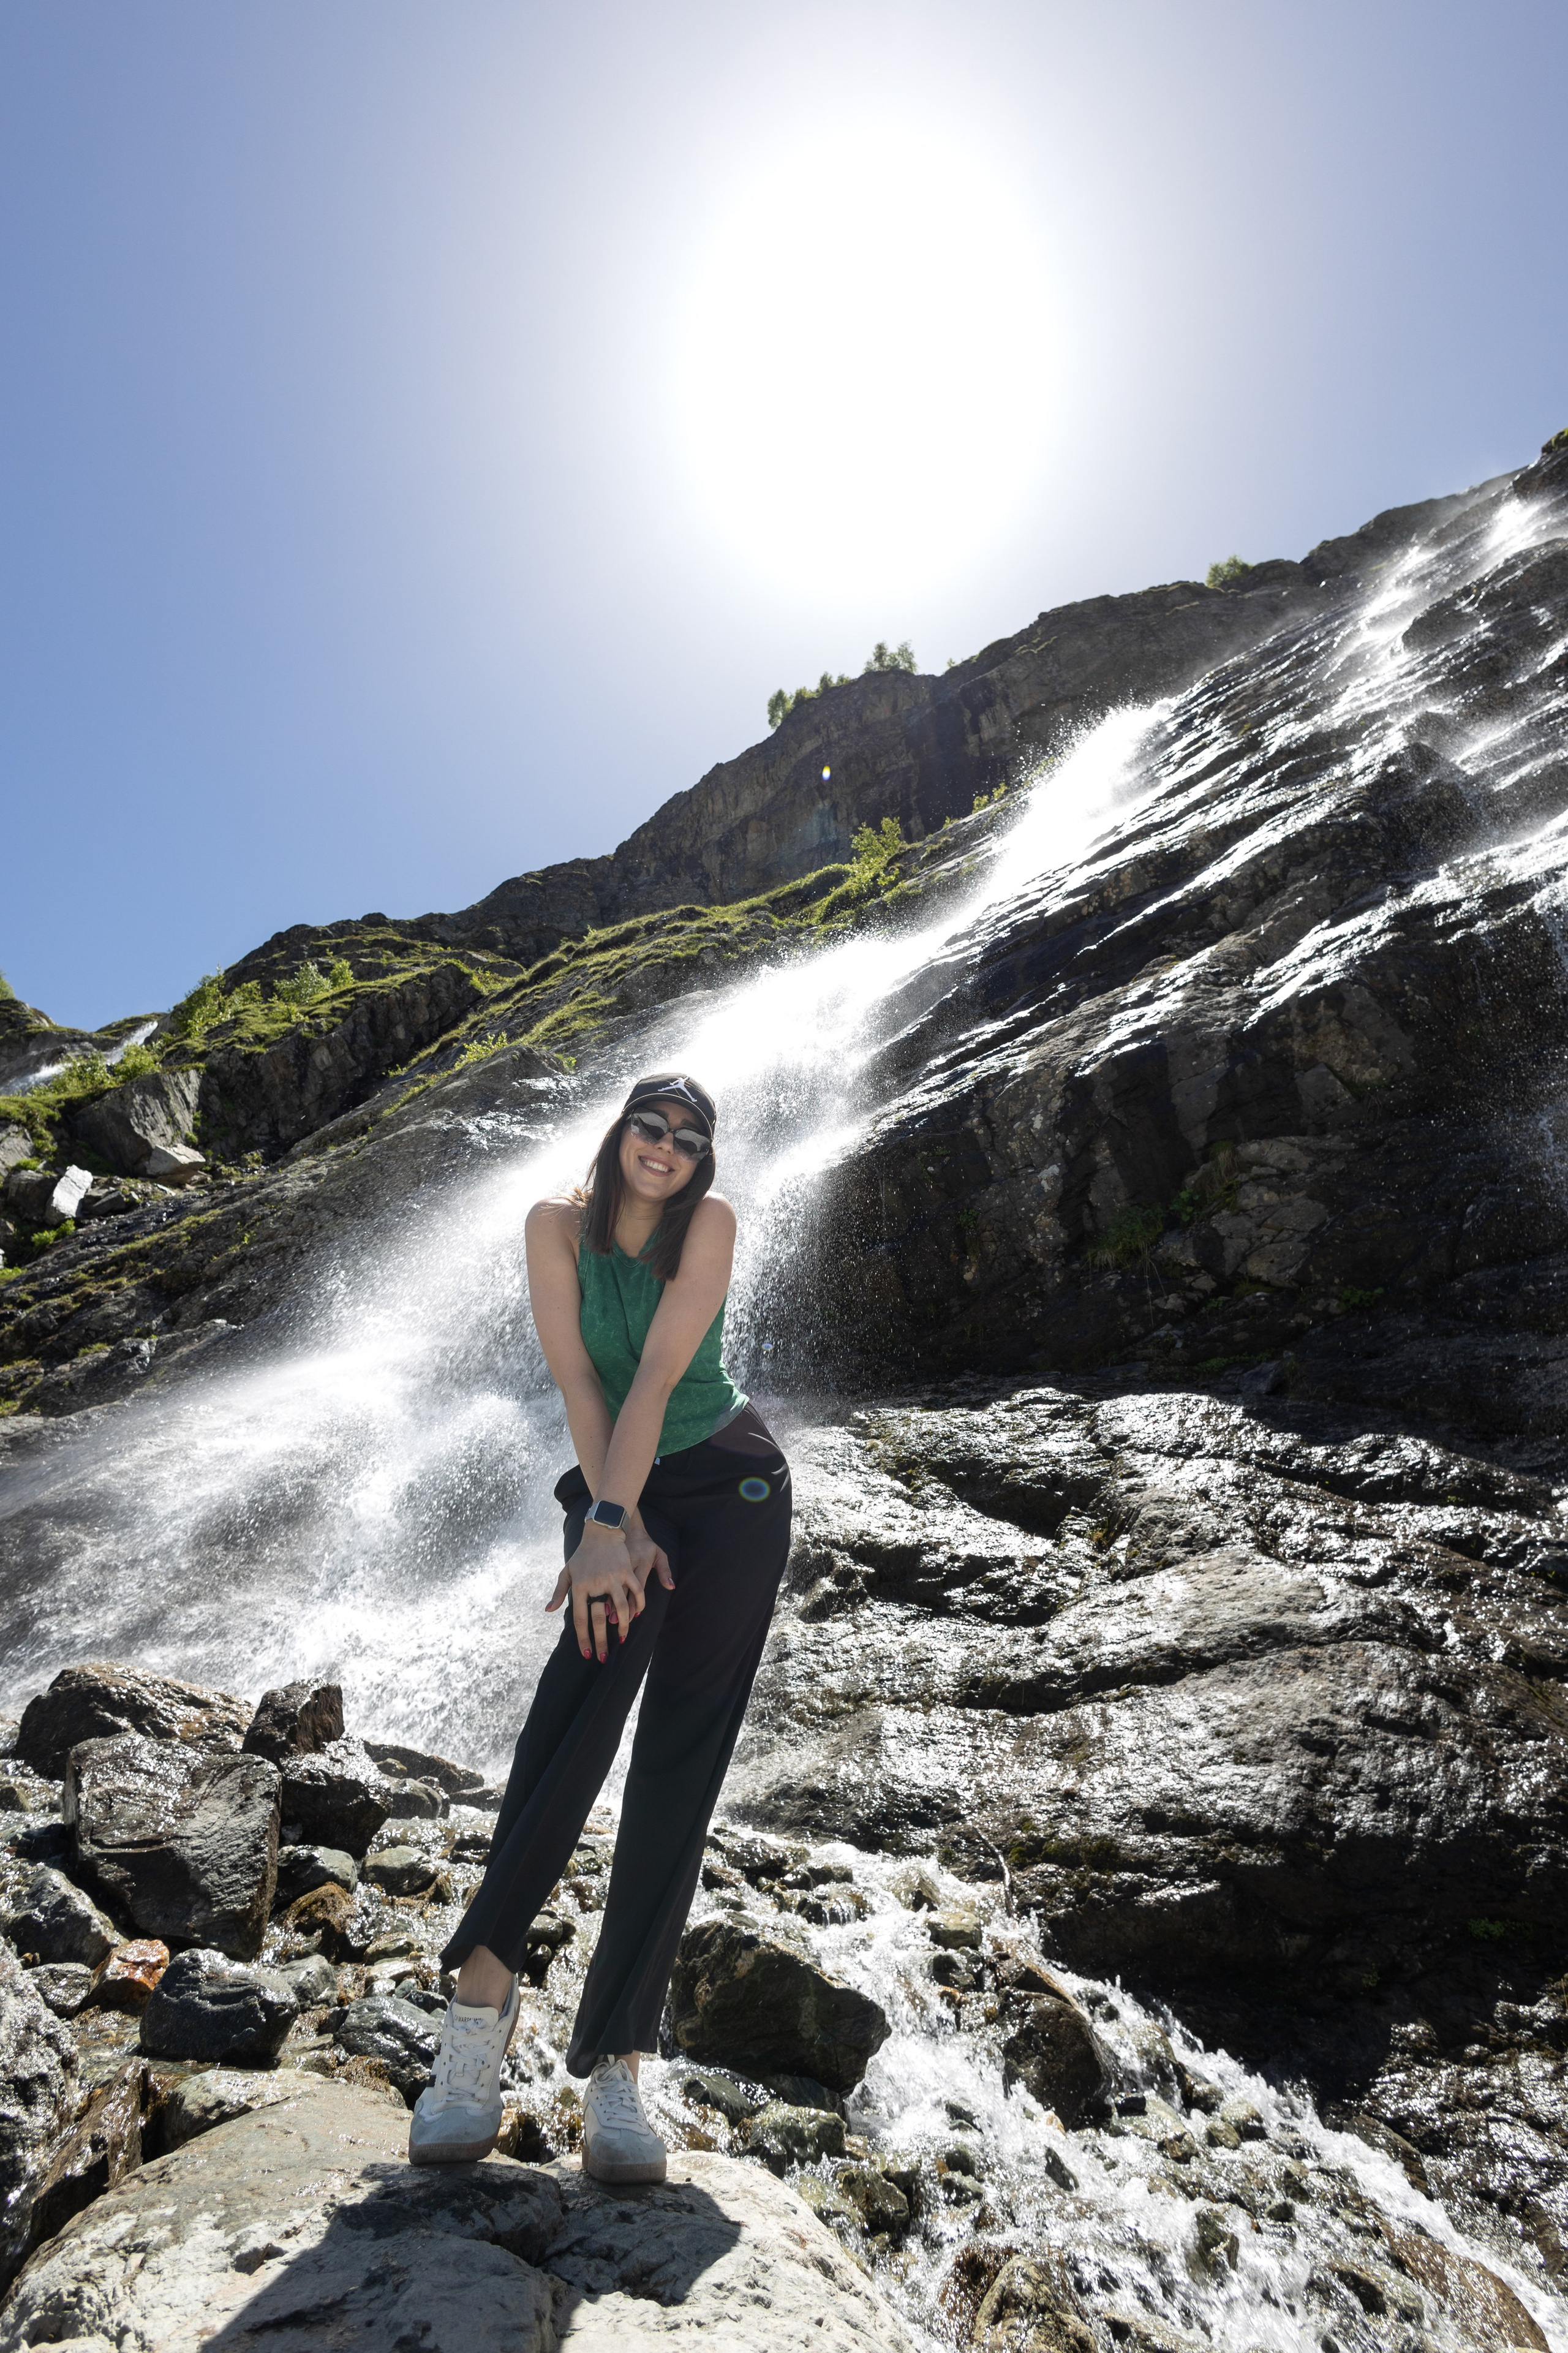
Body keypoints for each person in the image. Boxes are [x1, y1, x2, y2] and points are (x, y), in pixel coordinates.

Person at [409, 1071, 793, 2182]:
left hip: (729, 1492)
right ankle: (478, 2016)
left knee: (681, 1757)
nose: (666, 1147)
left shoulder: (709, 1224)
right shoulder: (553, 1226)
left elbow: (665, 1374)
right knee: (571, 1716)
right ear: (619, 1130)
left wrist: (615, 1516)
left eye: (688, 1135)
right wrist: (604, 1529)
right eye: (650, 1125)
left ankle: (621, 2061)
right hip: (619, 1488)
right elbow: (580, 1376)